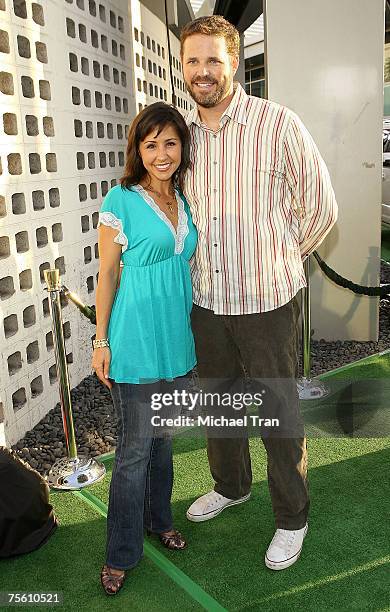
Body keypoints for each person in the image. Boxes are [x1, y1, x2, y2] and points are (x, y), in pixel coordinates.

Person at [180, 16, 338, 570]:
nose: (203, 72)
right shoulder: (181, 134)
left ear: (235, 63)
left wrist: (280, 256)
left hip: (268, 300)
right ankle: (231, 485)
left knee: (277, 411)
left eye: (213, 61)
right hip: (206, 299)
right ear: (184, 66)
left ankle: (292, 518)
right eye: (193, 60)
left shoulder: (277, 123)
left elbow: (322, 206)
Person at [91, 102, 197, 595]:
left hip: (175, 341)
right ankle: (120, 553)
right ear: (137, 149)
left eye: (169, 143)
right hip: (134, 341)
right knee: (134, 450)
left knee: (164, 441)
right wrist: (100, 339)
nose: (161, 153)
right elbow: (107, 273)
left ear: (181, 147)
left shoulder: (184, 198)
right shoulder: (121, 199)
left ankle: (160, 520)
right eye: (150, 144)